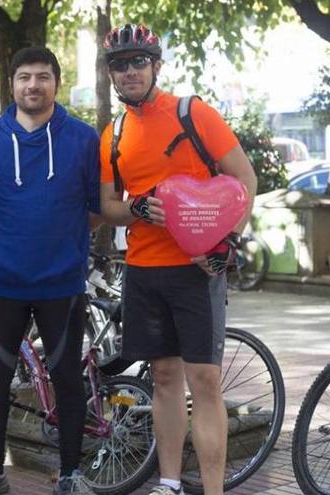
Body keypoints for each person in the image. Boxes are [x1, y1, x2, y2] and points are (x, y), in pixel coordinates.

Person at [97, 24, 257, 495]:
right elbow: (108, 205)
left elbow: (244, 179)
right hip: (143, 270)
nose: (128, 71)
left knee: (204, 380)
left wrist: (230, 241)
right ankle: (168, 483)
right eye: (119, 64)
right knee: (164, 376)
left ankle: (212, 489)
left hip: (196, 268)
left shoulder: (193, 114)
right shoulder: (113, 134)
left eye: (137, 61)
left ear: (156, 66)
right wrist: (136, 209)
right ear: (111, 72)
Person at [0, 46, 100, 495]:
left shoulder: (83, 138)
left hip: (62, 283)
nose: (33, 85)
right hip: (4, 284)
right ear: (12, 84)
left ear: (56, 82)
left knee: (67, 380)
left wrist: (61, 243)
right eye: (24, 77)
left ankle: (73, 474)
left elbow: (95, 209)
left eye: (42, 76)